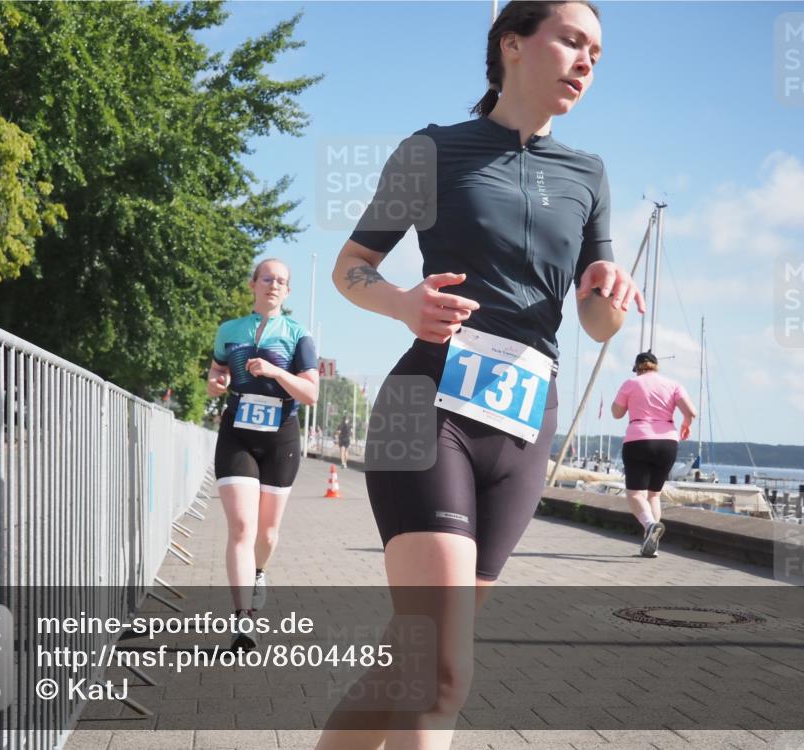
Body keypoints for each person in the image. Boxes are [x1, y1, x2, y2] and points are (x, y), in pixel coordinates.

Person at [316, 2, 645, 747]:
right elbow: (350, 267)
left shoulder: (589, 175)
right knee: (443, 675)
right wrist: (404, 304)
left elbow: (597, 325)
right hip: (427, 408)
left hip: (526, 424)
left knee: (413, 664)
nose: (588, 60)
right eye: (571, 40)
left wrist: (606, 291)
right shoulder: (432, 151)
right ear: (513, 44)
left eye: (598, 50)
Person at [206, 258, 318, 650]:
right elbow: (216, 374)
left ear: (287, 293)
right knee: (242, 528)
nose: (273, 284)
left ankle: (258, 571)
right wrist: (217, 382)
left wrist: (275, 373)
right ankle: (243, 619)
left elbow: (310, 393)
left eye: (281, 281)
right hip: (237, 432)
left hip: (280, 437)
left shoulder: (298, 335)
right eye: (267, 278)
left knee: (266, 534)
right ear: (253, 284)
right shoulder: (229, 330)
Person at [611, 351, 697, 557]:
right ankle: (650, 544)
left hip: (639, 439)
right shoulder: (673, 385)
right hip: (668, 442)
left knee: (634, 494)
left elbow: (616, 413)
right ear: (656, 367)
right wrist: (686, 424)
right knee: (654, 495)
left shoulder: (631, 384)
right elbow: (691, 412)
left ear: (637, 368)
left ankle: (650, 525)